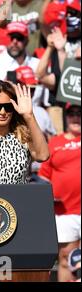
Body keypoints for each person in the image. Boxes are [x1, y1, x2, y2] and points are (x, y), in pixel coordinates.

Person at [38, 104, 81, 282]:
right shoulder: (55, 142)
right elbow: (44, 176)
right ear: (66, 116)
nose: (76, 118)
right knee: (66, 258)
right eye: (72, 114)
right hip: (64, 211)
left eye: (80, 114)